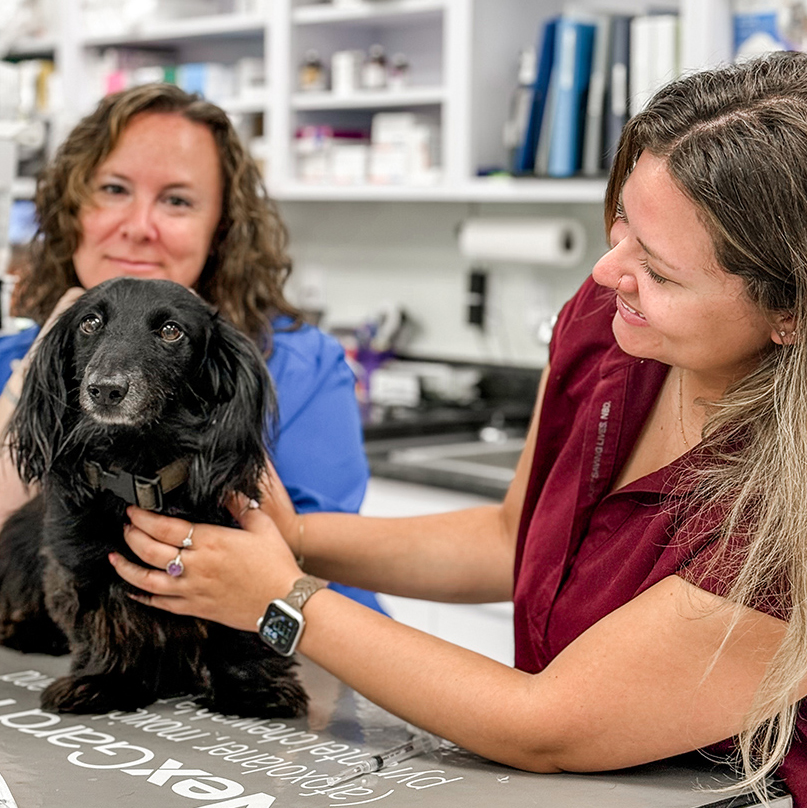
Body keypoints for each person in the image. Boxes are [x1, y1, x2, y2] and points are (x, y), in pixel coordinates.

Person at [109, 52, 807, 804]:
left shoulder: (785, 516)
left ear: (788, 312)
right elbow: (514, 539)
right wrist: (290, 538)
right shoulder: (610, 329)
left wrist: (280, 601)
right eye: (621, 225)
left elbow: (544, 725)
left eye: (660, 272)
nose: (608, 272)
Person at [0, 82, 384, 612]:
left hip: (295, 647)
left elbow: (307, 560)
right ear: (72, 209)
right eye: (114, 189)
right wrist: (33, 374)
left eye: (177, 200)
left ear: (220, 229)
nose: (139, 227)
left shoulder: (301, 365)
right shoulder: (14, 357)